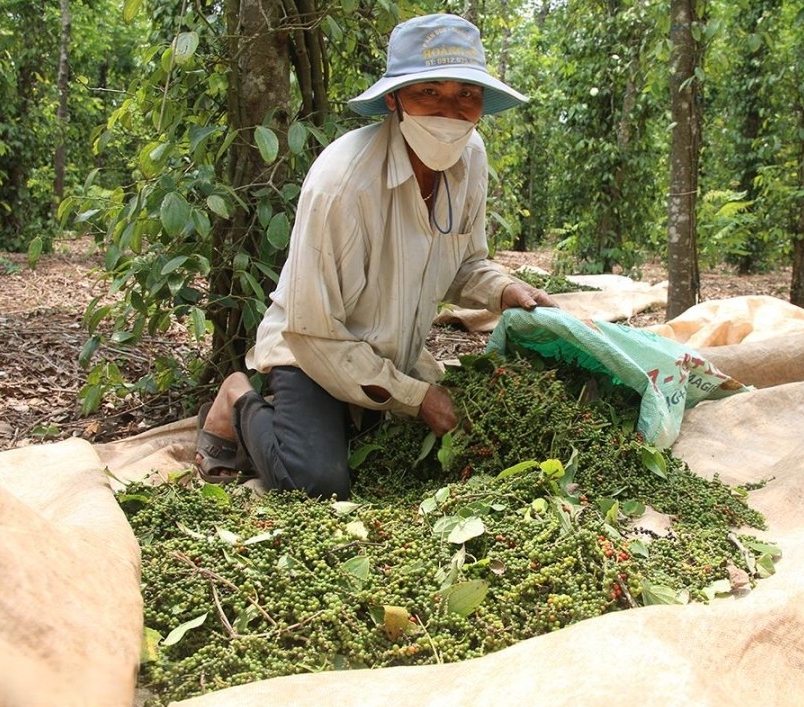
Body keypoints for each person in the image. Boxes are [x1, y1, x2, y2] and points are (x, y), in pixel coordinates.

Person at [194, 13, 556, 499]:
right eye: (429, 92)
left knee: (456, 450)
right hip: (311, 349)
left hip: (390, 352)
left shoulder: (471, 159)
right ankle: (236, 398)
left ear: (481, 105)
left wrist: (505, 290)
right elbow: (313, 332)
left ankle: (352, 418)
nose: (449, 111)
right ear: (393, 99)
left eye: (465, 96)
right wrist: (419, 397)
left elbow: (464, 263)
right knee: (317, 483)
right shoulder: (343, 184)